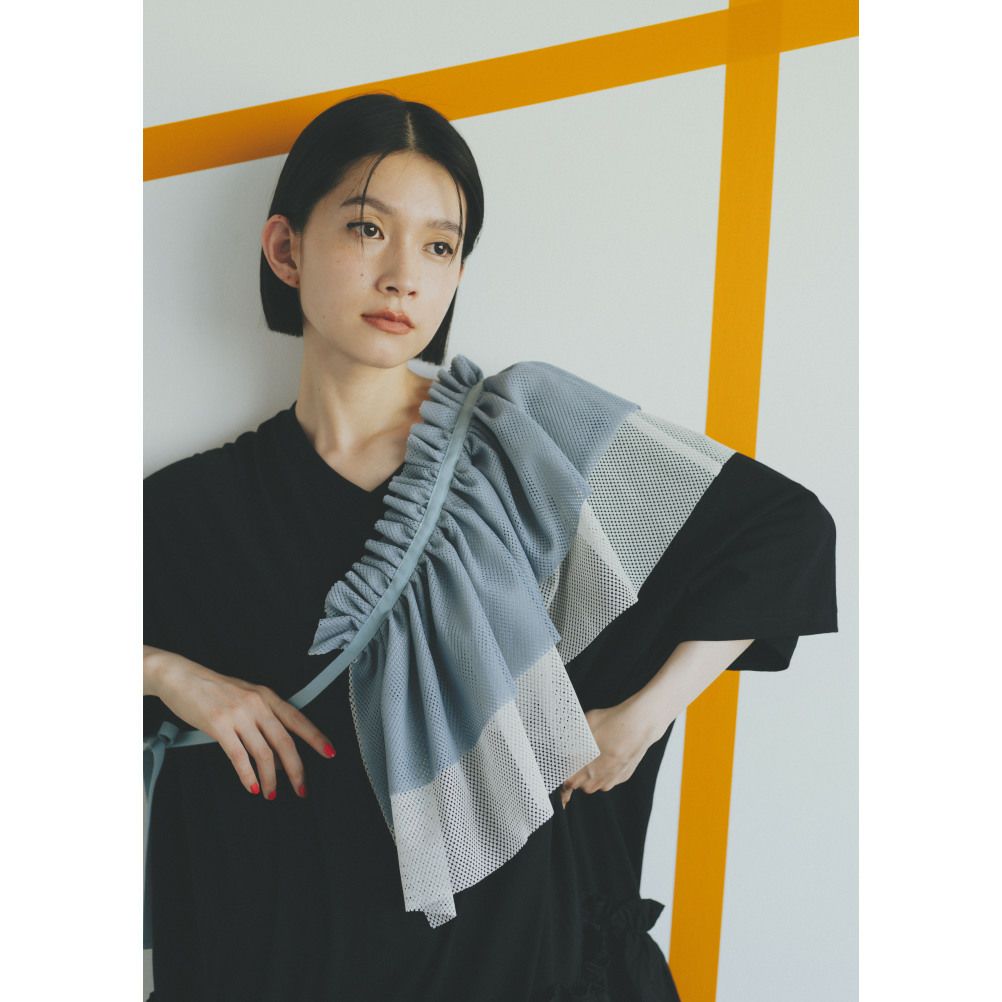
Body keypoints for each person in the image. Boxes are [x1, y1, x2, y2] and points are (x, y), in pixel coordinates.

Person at [143, 92, 838, 1001]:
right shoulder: (189, 510)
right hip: (276, 966)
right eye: (366, 229)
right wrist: (164, 672)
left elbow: (784, 530)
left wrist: (639, 720)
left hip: (513, 963)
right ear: (285, 249)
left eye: (440, 246)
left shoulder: (523, 440)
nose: (404, 276)